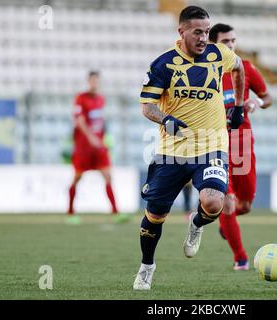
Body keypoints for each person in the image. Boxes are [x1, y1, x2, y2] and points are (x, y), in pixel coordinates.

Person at [134, 6, 245, 290]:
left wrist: (240, 107)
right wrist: (165, 118)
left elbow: (240, 67)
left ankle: (196, 223)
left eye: (207, 32)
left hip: (212, 145)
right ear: (181, 32)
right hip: (173, 152)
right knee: (154, 216)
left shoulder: (219, 54)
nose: (204, 38)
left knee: (213, 202)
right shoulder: (163, 64)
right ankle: (147, 266)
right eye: (198, 32)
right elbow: (147, 107)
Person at [209, 23, 273, 270]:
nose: (231, 45)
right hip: (216, 145)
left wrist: (257, 102)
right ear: (214, 45)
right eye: (226, 42)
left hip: (242, 143)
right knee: (228, 202)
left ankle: (221, 221)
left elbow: (269, 98)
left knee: (244, 205)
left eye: (233, 41)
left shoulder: (245, 68)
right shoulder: (206, 73)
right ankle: (241, 258)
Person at [67, 71, 126, 224]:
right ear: (88, 81)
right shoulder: (81, 98)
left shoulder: (101, 99)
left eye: (97, 81)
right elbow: (79, 121)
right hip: (84, 147)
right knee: (77, 178)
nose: (94, 83)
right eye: (92, 81)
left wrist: (103, 138)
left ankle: (115, 212)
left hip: (99, 147)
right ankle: (70, 212)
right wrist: (91, 137)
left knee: (108, 176)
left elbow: (100, 120)